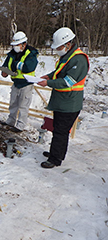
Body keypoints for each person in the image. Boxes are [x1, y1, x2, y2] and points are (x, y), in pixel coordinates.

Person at [37, 27, 89, 168]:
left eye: (59, 46)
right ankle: (56, 152)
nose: (58, 49)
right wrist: (49, 75)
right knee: (58, 128)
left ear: (68, 44)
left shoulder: (79, 60)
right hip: (63, 101)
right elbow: (60, 72)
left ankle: (55, 159)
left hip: (70, 103)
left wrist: (48, 83)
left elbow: (67, 81)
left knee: (61, 131)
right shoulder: (68, 57)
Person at [0, 31, 39, 132]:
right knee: (13, 103)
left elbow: (28, 67)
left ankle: (20, 125)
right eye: (14, 45)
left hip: (26, 84)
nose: (15, 47)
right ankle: (11, 121)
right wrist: (4, 72)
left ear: (24, 44)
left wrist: (16, 65)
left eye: (17, 45)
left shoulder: (31, 54)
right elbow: (5, 65)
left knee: (23, 106)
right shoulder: (12, 54)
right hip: (16, 83)